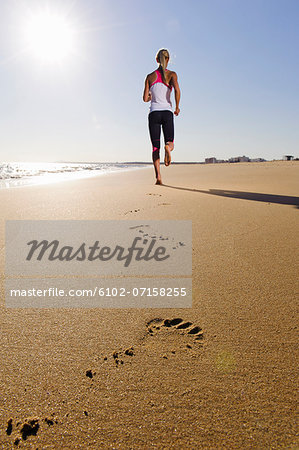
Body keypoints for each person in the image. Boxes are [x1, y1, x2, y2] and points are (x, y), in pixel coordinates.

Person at [143, 49, 181, 185]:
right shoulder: (172, 75)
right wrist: (177, 107)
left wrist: (151, 96)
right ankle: (168, 148)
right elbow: (177, 90)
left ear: (157, 60)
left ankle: (158, 176)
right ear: (168, 59)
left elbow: (144, 98)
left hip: (154, 113)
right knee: (170, 143)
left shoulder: (149, 76)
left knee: (155, 148)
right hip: (167, 112)